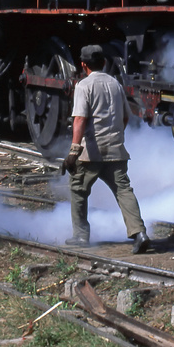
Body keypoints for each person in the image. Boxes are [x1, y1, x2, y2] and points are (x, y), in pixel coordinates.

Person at [62, 45, 150, 253]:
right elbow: (126, 116)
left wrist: (74, 152)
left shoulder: (84, 86)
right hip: (116, 150)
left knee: (78, 190)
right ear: (103, 63)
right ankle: (139, 233)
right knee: (123, 190)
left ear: (83, 65)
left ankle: (81, 236)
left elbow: (80, 120)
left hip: (90, 152)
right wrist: (115, 136)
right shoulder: (115, 84)